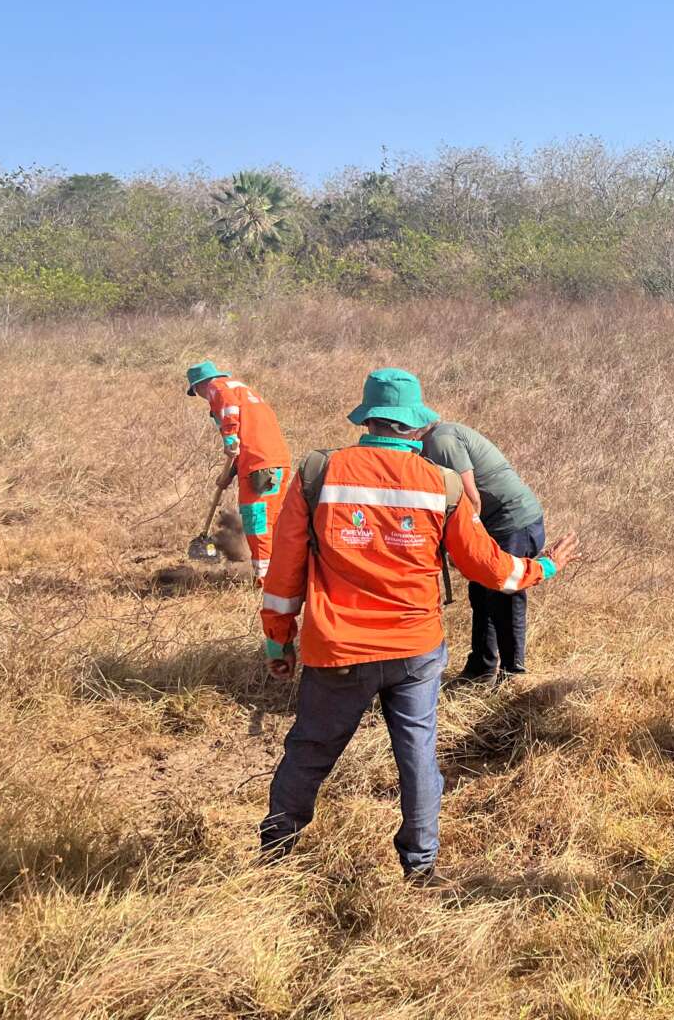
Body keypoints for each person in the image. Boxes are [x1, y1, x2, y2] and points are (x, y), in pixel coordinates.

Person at [257, 368, 579, 879]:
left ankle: (274, 852)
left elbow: (284, 570)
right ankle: (421, 867)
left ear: (368, 419)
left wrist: (279, 642)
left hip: (337, 649)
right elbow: (490, 568)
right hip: (414, 651)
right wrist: (544, 567)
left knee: (310, 749)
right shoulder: (443, 485)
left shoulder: (318, 473)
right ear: (414, 424)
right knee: (417, 757)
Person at [420, 419, 545, 683]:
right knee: (481, 593)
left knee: (504, 592)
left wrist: (464, 545)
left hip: (512, 522)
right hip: (493, 523)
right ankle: (481, 667)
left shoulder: (440, 441)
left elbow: (471, 498)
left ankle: (513, 674)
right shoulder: (431, 442)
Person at [185, 360, 292, 582]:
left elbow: (230, 410)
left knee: (257, 519)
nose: (202, 397)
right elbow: (249, 438)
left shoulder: (218, 386)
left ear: (199, 386)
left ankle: (264, 578)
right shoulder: (244, 391)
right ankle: (281, 573)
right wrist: (229, 474)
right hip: (275, 461)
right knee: (273, 521)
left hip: (260, 465)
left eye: (197, 392)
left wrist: (230, 437)